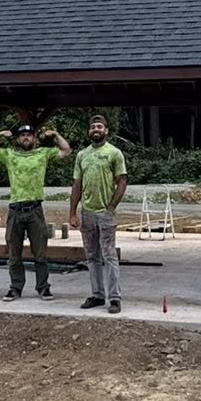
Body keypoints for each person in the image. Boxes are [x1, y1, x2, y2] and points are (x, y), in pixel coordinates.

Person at [0, 121, 71, 298]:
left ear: (34, 139)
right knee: (14, 254)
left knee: (40, 253)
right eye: (22, 135)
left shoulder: (43, 153)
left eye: (29, 135)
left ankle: (43, 287)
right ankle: (15, 287)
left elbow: (66, 151)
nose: (26, 137)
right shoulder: (9, 154)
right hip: (15, 209)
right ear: (18, 139)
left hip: (35, 209)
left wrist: (55, 135)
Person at [70, 113, 127, 314]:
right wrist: (73, 213)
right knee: (92, 256)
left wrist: (111, 207)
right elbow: (77, 185)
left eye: (100, 127)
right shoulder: (82, 155)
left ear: (106, 131)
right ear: (89, 131)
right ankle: (97, 295)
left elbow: (122, 181)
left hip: (105, 213)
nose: (96, 130)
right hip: (87, 213)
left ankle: (115, 298)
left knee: (109, 255)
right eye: (93, 127)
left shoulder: (114, 153)